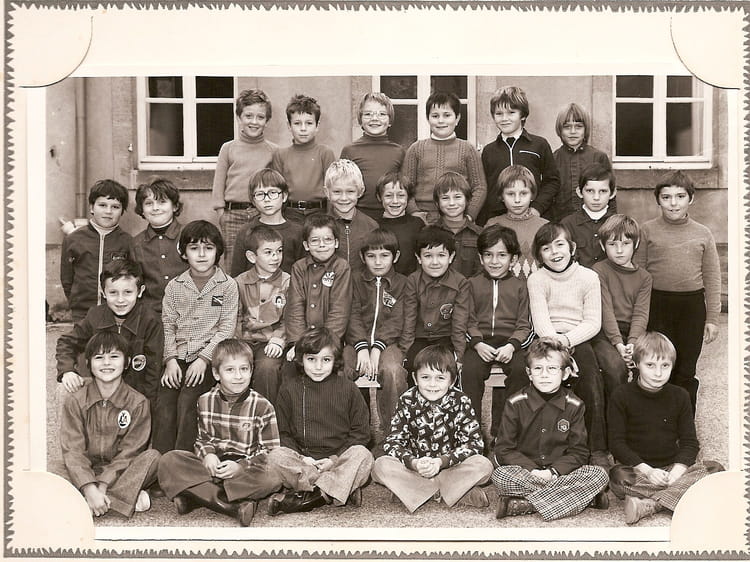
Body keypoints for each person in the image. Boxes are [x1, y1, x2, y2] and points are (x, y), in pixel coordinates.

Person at [157, 339, 283, 526]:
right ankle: (230, 504)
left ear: (252, 371)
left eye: (244, 369)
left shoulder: (263, 406)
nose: (238, 376)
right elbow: (203, 439)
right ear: (216, 373)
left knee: (274, 478)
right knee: (169, 461)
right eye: (230, 370)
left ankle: (197, 496)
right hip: (213, 466)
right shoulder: (204, 400)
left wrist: (241, 467)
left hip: (244, 468)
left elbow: (270, 452)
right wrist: (208, 455)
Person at [607, 332, 724, 525]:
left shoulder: (681, 396)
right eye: (650, 365)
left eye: (665, 366)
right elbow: (616, 444)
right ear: (636, 364)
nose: (658, 373)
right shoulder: (621, 395)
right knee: (618, 476)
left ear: (672, 366)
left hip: (672, 468)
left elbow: (689, 443)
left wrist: (676, 473)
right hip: (639, 470)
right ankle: (682, 497)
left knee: (715, 469)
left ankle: (652, 505)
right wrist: (649, 472)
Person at [492, 338, 609, 521]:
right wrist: (533, 471)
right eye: (538, 368)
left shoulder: (575, 405)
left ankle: (527, 504)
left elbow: (579, 452)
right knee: (500, 476)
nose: (544, 375)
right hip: (526, 472)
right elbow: (503, 449)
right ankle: (582, 499)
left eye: (552, 368)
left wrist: (553, 472)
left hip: (560, 474)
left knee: (599, 475)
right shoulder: (515, 403)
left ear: (565, 373)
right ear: (529, 373)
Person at [634, 171, 721, 413]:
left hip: (691, 307)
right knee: (657, 365)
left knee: (685, 370)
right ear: (658, 200)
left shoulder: (703, 233)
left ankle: (683, 425)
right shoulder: (647, 230)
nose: (673, 203)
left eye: (680, 196)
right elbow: (638, 275)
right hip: (657, 305)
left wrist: (713, 318)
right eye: (666, 197)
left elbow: (712, 278)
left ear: (691, 198)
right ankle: (655, 421)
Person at [372, 344, 493, 513]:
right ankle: (454, 492)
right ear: (415, 379)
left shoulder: (461, 401)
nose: (432, 384)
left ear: (452, 381)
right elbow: (392, 442)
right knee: (380, 466)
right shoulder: (407, 400)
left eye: (440, 378)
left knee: (484, 466)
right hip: (416, 469)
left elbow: (474, 444)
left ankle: (416, 492)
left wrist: (441, 462)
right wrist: (413, 463)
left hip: (450, 468)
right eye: (425, 377)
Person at [526, 222, 609, 467]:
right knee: (535, 375)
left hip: (578, 337)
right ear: (539, 255)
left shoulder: (589, 277)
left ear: (572, 248)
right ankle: (534, 446)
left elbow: (592, 322)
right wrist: (557, 347)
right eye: (546, 248)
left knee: (591, 379)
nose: (554, 252)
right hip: (547, 338)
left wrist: (567, 342)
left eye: (559, 245)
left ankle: (597, 448)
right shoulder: (536, 279)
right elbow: (541, 322)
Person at [154, 220, 239, 454]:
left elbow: (226, 329)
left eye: (208, 248)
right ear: (183, 252)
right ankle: (160, 461)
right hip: (178, 358)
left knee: (189, 401)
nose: (201, 254)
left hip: (208, 359)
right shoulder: (174, 287)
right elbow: (168, 325)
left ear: (218, 252)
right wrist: (170, 360)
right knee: (165, 403)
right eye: (194, 248)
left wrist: (203, 360)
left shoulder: (228, 286)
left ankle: (183, 461)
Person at [267, 328, 373, 514]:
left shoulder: (349, 389)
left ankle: (313, 496)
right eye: (311, 359)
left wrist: (334, 460)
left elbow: (361, 433)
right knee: (275, 456)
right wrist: (304, 459)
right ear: (301, 359)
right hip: (303, 462)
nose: (318, 367)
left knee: (363, 456)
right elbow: (282, 433)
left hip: (339, 459)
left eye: (326, 360)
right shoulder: (288, 390)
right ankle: (340, 488)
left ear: (335, 360)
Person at [59, 332, 160, 518]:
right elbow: (73, 450)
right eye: (99, 357)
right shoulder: (75, 400)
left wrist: (102, 486)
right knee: (50, 468)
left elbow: (130, 452)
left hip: (121, 472)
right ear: (88, 363)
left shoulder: (138, 402)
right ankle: (122, 499)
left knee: (153, 458)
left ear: (127, 362)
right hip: (86, 468)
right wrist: (89, 486)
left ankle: (93, 501)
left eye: (114, 356)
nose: (106, 363)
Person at [56, 260, 163, 420]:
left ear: (140, 291)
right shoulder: (95, 316)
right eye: (113, 293)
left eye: (127, 292)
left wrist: (144, 411)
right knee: (64, 389)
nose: (120, 300)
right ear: (103, 292)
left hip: (135, 392)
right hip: (102, 386)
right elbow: (67, 342)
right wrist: (67, 371)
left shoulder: (150, 321)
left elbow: (152, 374)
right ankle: (74, 434)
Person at [464, 224, 533, 436]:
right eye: (488, 255)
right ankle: (471, 433)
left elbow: (525, 325)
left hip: (511, 343)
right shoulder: (471, 284)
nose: (494, 261)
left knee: (521, 370)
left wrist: (512, 346)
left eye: (502, 255)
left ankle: (505, 431)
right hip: (480, 342)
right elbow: (466, 320)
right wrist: (477, 343)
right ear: (480, 257)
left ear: (513, 259)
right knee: (469, 372)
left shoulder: (521, 286)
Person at [344, 228, 409, 439]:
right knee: (341, 369)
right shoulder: (354, 280)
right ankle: (355, 432)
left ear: (395, 256)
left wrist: (378, 347)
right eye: (371, 256)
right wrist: (362, 347)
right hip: (355, 343)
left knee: (392, 371)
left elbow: (397, 320)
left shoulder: (402, 283)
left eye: (384, 255)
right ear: (362, 257)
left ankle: (395, 432)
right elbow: (351, 314)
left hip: (389, 344)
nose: (378, 262)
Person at [212, 89, 276, 265]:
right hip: (233, 215)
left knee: (262, 260)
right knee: (234, 263)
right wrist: (221, 213)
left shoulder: (273, 151)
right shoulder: (228, 148)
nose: (254, 122)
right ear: (239, 117)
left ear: (267, 121)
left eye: (260, 117)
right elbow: (219, 184)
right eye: (248, 116)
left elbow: (277, 186)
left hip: (262, 214)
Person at [479, 86, 560, 225]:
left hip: (532, 217)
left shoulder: (539, 145)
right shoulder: (489, 151)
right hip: (498, 222)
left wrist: (537, 208)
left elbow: (552, 181)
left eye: (511, 112)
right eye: (499, 114)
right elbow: (485, 188)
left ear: (522, 115)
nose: (504, 119)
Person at [402, 91, 486, 224]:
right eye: (435, 116)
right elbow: (406, 186)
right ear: (428, 118)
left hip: (458, 218)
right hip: (423, 219)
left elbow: (479, 187)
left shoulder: (468, 149)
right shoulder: (415, 149)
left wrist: (469, 216)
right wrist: (414, 213)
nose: (441, 121)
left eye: (447, 115)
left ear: (457, 118)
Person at [400, 226, 472, 373]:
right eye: (428, 256)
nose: (435, 262)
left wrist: (459, 355)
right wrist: (404, 351)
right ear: (418, 258)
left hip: (446, 337)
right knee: (414, 364)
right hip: (419, 337)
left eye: (441, 255)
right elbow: (409, 319)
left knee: (446, 366)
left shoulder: (461, 283)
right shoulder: (413, 281)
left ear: (451, 257)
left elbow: (460, 323)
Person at [60, 179, 134, 321]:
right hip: (83, 313)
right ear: (92, 207)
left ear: (122, 211)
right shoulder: (73, 240)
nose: (108, 211)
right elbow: (67, 279)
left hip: (118, 314)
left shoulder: (128, 242)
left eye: (115, 207)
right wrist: (76, 303)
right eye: (102, 205)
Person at [591, 214, 652, 385]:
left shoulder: (644, 277)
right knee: (615, 367)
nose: (619, 250)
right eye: (612, 244)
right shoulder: (598, 270)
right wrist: (618, 344)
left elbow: (640, 314)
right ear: (602, 246)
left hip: (633, 332)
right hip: (604, 333)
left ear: (636, 244)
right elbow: (606, 310)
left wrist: (632, 343)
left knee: (648, 365)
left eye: (625, 244)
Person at [283, 213, 352, 363]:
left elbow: (339, 310)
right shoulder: (299, 268)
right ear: (306, 245)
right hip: (302, 339)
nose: (322, 245)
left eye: (328, 239)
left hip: (331, 341)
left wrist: (323, 344)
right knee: (291, 367)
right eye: (315, 240)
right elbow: (295, 307)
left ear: (336, 243)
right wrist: (297, 343)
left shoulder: (341, 268)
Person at [234, 225, 290, 405]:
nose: (276, 257)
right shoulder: (239, 283)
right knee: (233, 365)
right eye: (268, 252)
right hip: (244, 341)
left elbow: (290, 317)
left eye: (279, 251)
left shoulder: (288, 282)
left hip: (271, 342)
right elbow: (235, 317)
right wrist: (236, 343)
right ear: (252, 257)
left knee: (267, 368)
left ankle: (266, 414)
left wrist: (278, 339)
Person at [340, 92, 405, 221]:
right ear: (360, 119)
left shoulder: (399, 151)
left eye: (382, 114)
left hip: (391, 214)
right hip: (358, 215)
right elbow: (342, 186)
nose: (374, 118)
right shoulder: (350, 150)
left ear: (390, 120)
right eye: (368, 114)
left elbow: (405, 188)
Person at [230, 167, 305, 277]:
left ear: (284, 196)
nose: (267, 199)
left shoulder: (298, 232)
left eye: (272, 192)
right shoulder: (245, 231)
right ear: (253, 200)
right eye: (260, 194)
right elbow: (237, 273)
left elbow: (303, 274)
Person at [271, 94, 335, 215]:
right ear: (289, 126)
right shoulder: (280, 155)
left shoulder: (325, 153)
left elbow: (332, 189)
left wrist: (330, 217)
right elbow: (277, 191)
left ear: (317, 126)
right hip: (290, 213)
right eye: (297, 123)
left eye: (309, 123)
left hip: (319, 213)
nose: (303, 128)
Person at [132, 177, 187, 314]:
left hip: (191, 313)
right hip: (152, 315)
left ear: (174, 206)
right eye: (149, 203)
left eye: (162, 202)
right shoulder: (136, 244)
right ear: (141, 209)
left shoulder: (191, 236)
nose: (155, 208)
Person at [553, 102, 614, 221]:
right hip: (561, 222)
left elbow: (610, 195)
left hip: (595, 222)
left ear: (586, 129)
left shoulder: (599, 157)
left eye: (578, 126)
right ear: (560, 130)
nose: (573, 131)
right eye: (567, 127)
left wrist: (612, 223)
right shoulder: (553, 158)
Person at [485, 165, 548, 279]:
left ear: (532, 195)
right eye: (511, 194)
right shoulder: (493, 225)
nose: (517, 200)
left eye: (523, 193)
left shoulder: (545, 226)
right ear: (501, 196)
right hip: (504, 288)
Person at [324, 159, 379, 276]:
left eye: (350, 191)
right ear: (327, 192)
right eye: (337, 192)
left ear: (360, 191)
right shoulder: (319, 226)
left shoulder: (371, 226)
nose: (344, 198)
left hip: (362, 286)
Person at [560, 163, 618, 268]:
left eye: (603, 191)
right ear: (579, 192)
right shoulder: (567, 225)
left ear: (612, 193)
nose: (596, 197)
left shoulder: (619, 224)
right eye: (590, 191)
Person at [433, 171, 483, 278]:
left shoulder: (480, 234)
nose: (452, 203)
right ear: (437, 203)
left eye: (457, 197)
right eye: (445, 198)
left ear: (468, 200)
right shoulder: (429, 233)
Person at [375, 171, 424, 275]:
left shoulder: (417, 224)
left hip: (410, 282)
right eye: (389, 195)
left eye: (401, 195)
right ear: (379, 197)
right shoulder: (374, 225)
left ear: (408, 197)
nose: (395, 201)